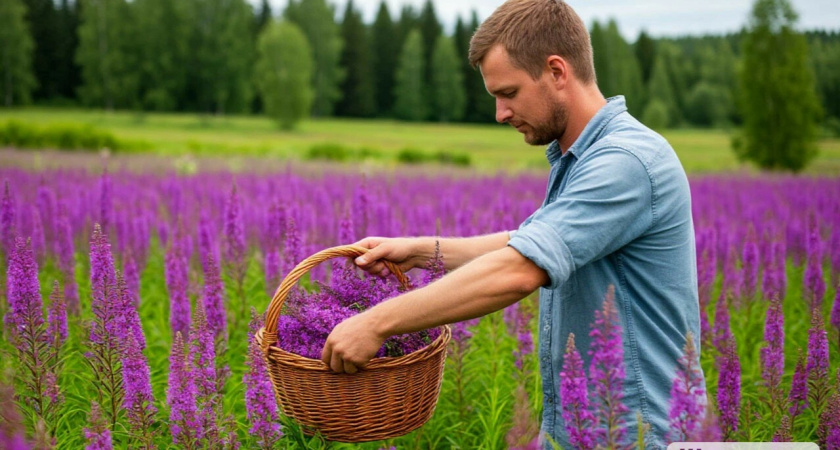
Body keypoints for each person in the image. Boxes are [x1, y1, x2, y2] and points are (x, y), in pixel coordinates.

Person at [320, 0, 703, 447]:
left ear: (557, 71)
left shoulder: (626, 162)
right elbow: (523, 242)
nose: (500, 113)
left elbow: (521, 269)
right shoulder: (581, 157)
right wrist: (422, 250)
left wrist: (376, 323)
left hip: (635, 434)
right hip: (575, 427)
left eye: (509, 93)